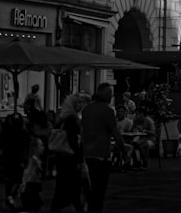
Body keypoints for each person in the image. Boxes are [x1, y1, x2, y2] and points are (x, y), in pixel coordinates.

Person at [81, 83, 126, 213]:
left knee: (89, 189)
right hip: (101, 155)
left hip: (87, 154)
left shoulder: (86, 110)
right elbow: (115, 133)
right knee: (99, 191)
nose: (112, 96)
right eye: (110, 94)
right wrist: (123, 150)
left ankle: (88, 208)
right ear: (106, 95)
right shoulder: (107, 111)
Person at [50, 94, 86, 213]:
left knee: (64, 185)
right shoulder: (71, 119)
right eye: (79, 102)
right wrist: (79, 158)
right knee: (72, 186)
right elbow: (73, 140)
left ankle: (59, 207)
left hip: (63, 156)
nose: (82, 105)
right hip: (69, 157)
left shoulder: (63, 117)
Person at [12, 137, 46, 213]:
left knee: (35, 207)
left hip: (33, 186)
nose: (43, 147)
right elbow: (26, 173)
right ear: (35, 148)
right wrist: (23, 185)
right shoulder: (33, 159)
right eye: (41, 145)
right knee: (32, 208)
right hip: (29, 187)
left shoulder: (37, 159)